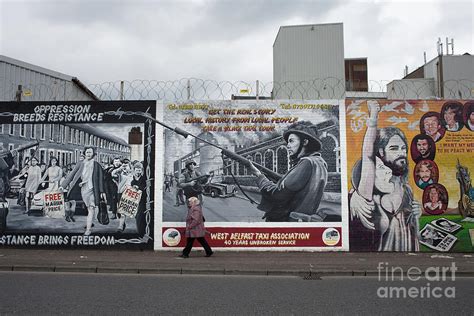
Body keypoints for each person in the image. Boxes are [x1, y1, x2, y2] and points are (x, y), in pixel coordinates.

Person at [350, 101, 420, 251]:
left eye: (403, 148)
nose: (401, 153)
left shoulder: (406, 190)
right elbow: (368, 155)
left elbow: (413, 233)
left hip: (408, 263)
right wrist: (373, 116)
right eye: (394, 148)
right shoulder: (370, 190)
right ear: (381, 152)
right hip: (378, 261)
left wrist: (416, 215)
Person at [248, 121, 328, 222]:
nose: (288, 145)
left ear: (305, 142)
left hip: (287, 220)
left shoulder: (306, 163)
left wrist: (259, 176)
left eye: (292, 141)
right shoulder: (319, 162)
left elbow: (277, 195)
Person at [60, 146, 106, 236]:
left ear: (93, 154)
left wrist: (102, 191)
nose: (88, 154)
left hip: (93, 189)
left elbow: (101, 179)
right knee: (86, 206)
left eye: (90, 152)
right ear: (84, 153)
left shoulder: (97, 165)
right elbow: (71, 175)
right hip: (82, 189)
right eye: (87, 152)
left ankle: (88, 229)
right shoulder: (80, 164)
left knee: (91, 208)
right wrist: (63, 186)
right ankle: (89, 222)